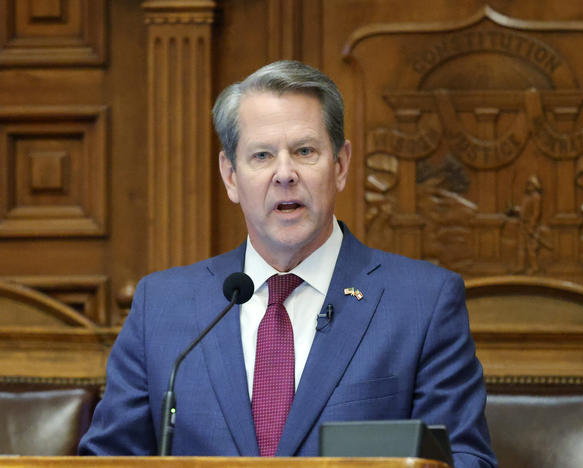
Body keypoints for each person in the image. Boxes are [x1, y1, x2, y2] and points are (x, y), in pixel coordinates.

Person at [78, 60, 496, 467]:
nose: (284, 173)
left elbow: (464, 458)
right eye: (261, 155)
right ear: (230, 176)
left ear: (341, 165)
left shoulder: (422, 302)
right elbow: (107, 461)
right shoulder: (162, 307)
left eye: (305, 151)